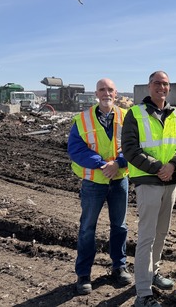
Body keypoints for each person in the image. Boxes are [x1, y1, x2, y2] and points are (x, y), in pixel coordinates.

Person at [122, 71, 176, 307]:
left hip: (170, 182)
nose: (162, 87)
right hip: (148, 182)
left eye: (165, 83)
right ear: (149, 87)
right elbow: (129, 149)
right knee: (147, 237)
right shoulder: (135, 113)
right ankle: (142, 292)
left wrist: (173, 166)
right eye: (157, 83)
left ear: (169, 88)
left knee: (161, 233)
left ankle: (153, 273)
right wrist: (159, 167)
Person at [68, 78, 132, 295]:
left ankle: (119, 267)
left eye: (110, 90)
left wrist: (119, 163)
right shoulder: (82, 119)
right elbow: (76, 148)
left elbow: (134, 145)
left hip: (119, 179)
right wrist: (103, 164)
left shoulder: (127, 116)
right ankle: (84, 274)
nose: (106, 93)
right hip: (94, 182)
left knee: (120, 226)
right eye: (102, 89)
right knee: (87, 228)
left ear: (116, 93)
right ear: (96, 93)